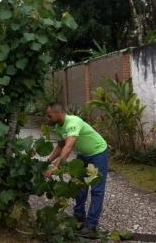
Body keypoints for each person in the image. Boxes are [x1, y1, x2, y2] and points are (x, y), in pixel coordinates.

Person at [44, 102, 108, 238]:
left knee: (96, 190)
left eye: (49, 116)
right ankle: (79, 218)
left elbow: (68, 146)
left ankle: (91, 226)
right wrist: (49, 161)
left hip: (98, 153)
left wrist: (56, 167)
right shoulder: (58, 127)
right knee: (78, 186)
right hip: (83, 155)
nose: (47, 119)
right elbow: (61, 145)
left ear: (59, 113)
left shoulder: (73, 122)